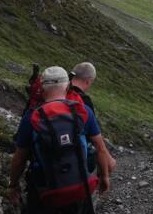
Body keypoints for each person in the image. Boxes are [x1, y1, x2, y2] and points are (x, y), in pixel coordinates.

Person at [8, 66, 111, 213]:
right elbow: (100, 148)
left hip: (45, 193)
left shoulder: (31, 117)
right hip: (80, 189)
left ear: (42, 87)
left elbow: (20, 158)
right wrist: (105, 176)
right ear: (67, 85)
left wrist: (13, 185)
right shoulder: (82, 111)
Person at [68, 62, 117, 174]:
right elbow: (94, 138)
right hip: (73, 157)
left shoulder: (57, 92)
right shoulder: (84, 102)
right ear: (88, 81)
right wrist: (107, 163)